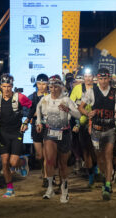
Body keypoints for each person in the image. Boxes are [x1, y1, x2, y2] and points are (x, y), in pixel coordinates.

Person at [79, 67, 116, 201]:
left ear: (109, 78)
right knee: (100, 158)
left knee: (108, 156)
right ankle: (105, 178)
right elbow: (80, 107)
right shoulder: (91, 91)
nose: (103, 81)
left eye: (105, 78)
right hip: (96, 130)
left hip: (109, 129)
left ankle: (107, 185)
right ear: (97, 79)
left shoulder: (115, 91)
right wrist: (88, 113)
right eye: (101, 78)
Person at [36, 75, 80, 203]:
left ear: (61, 87)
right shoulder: (45, 99)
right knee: (49, 160)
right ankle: (50, 188)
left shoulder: (66, 100)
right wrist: (38, 123)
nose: (53, 89)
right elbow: (38, 109)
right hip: (50, 132)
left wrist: (68, 110)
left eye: (56, 87)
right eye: (51, 87)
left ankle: (64, 190)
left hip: (64, 133)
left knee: (62, 164)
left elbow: (78, 114)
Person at [0, 73, 32, 198]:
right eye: (4, 86)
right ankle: (10, 189)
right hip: (3, 134)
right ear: (0, 86)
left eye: (9, 86)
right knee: (5, 163)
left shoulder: (19, 97)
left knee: (13, 162)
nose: (6, 89)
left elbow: (32, 106)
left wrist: (26, 121)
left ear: (12, 86)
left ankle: (23, 162)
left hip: (17, 133)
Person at [70, 68, 98, 188]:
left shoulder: (97, 88)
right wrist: (76, 122)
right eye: (85, 76)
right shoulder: (77, 88)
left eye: (90, 76)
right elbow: (71, 105)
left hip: (96, 122)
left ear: (93, 77)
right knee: (85, 150)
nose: (88, 78)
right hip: (81, 123)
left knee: (96, 150)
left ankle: (96, 168)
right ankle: (90, 174)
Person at [27, 74, 49, 187]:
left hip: (48, 127)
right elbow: (26, 112)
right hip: (36, 128)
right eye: (39, 84)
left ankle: (47, 177)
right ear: (36, 84)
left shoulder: (51, 96)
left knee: (47, 154)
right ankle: (43, 170)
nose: (41, 86)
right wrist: (34, 114)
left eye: (44, 84)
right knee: (39, 155)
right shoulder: (31, 97)